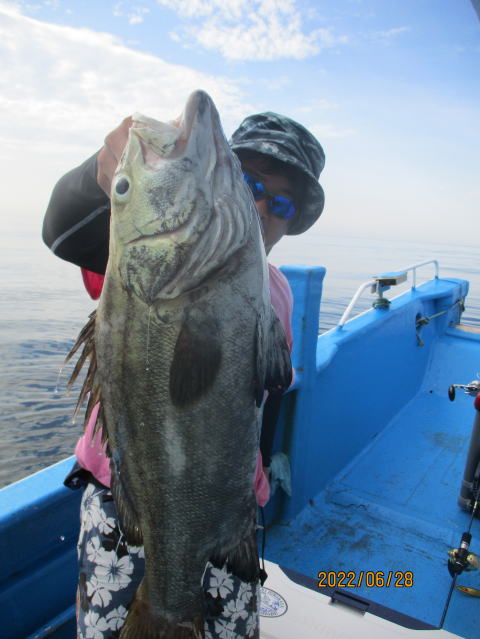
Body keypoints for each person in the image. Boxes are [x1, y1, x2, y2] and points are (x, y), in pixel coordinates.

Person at [42, 109, 325, 639]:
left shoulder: (279, 291)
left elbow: (264, 392)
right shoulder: (151, 257)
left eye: (281, 203)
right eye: (250, 183)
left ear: (292, 221)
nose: (261, 207)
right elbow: (61, 232)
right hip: (126, 496)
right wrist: (104, 175)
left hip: (229, 506)